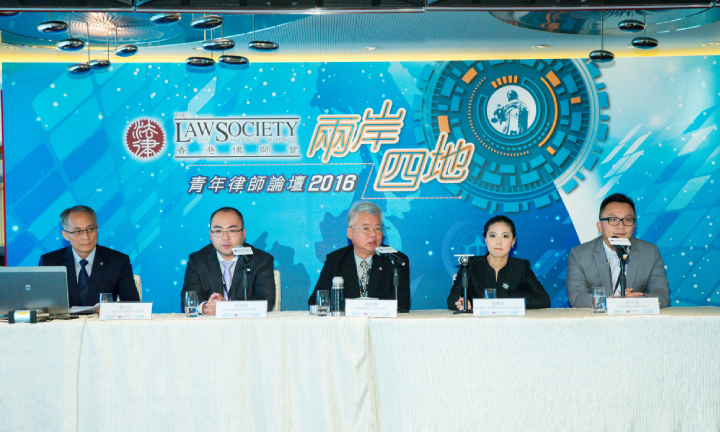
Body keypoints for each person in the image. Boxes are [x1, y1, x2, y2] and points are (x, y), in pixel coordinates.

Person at [566, 193, 670, 308]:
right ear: (599, 226)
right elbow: (577, 297)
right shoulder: (580, 254)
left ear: (634, 226)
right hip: (598, 317)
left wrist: (637, 301)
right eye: (613, 219)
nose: (621, 226)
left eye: (627, 220)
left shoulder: (650, 252)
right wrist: (613, 303)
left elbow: (662, 295)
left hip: (635, 317)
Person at [308, 201, 410, 310]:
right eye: (366, 229)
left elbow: (401, 304)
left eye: (378, 229)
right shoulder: (335, 260)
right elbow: (316, 302)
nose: (373, 234)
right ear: (350, 233)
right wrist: (358, 306)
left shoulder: (395, 260)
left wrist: (350, 304)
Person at [39, 205, 139, 307]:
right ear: (65, 235)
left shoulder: (118, 261)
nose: (86, 237)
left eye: (90, 229)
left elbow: (132, 305)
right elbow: (41, 306)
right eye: (77, 231)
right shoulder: (49, 262)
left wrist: (109, 311)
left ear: (97, 229)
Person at [181, 207, 275, 314]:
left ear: (243, 233)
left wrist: (226, 308)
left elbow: (266, 300)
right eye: (218, 231)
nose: (225, 237)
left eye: (232, 231)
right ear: (210, 235)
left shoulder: (261, 260)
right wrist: (207, 307)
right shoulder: (197, 260)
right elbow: (188, 298)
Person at [447, 215, 550, 310]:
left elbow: (543, 299)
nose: (498, 242)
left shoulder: (521, 267)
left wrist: (508, 296)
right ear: (485, 239)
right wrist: (465, 302)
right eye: (493, 236)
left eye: (505, 236)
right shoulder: (470, 265)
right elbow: (452, 299)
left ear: (513, 241)